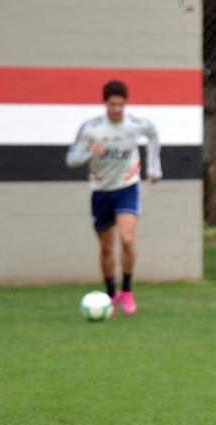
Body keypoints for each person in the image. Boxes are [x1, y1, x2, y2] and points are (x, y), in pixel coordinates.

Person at [65, 80, 162, 316]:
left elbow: (153, 135)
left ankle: (127, 290)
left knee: (127, 239)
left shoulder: (136, 125)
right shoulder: (91, 128)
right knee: (107, 247)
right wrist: (90, 153)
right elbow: (70, 159)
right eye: (112, 104)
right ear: (105, 104)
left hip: (127, 187)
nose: (117, 109)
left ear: (126, 103)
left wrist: (154, 166)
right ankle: (111, 294)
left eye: (121, 104)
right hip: (100, 190)